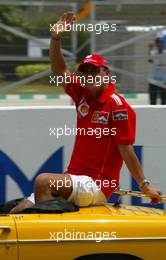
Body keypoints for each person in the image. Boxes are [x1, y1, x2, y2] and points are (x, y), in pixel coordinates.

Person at [11, 12, 162, 213]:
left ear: (106, 74)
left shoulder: (117, 105)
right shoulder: (83, 94)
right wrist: (55, 39)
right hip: (75, 178)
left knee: (43, 182)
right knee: (16, 212)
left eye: (94, 71)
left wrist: (144, 185)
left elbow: (126, 151)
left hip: (98, 184)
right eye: (85, 72)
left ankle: (58, 241)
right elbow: (60, 71)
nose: (89, 76)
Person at [148, 38, 166, 104]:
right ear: (156, 44)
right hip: (153, 80)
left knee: (164, 101)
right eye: (158, 43)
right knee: (153, 101)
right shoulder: (153, 53)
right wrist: (150, 49)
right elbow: (150, 60)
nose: (160, 44)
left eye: (161, 42)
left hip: (164, 80)